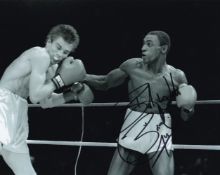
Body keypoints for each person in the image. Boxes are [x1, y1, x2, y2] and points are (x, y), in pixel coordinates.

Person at [85, 30, 197, 175]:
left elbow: (185, 117)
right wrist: (82, 76)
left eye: (149, 44)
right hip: (133, 124)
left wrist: (188, 107)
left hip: (160, 129)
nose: (143, 48)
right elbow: (105, 82)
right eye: (143, 43)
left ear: (163, 49)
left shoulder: (177, 76)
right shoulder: (132, 66)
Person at [0, 24, 94, 175]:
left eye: (65, 52)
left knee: (25, 171)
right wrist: (61, 81)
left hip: (19, 109)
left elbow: (45, 102)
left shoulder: (51, 70)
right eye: (58, 47)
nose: (59, 54)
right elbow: (35, 96)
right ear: (49, 40)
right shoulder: (40, 55)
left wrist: (71, 94)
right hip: (3, 103)